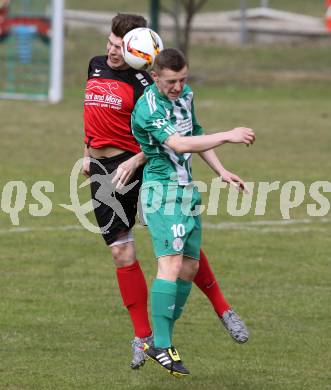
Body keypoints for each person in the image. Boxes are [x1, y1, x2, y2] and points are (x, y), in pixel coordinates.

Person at [82, 13, 249, 370]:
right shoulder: (95, 67)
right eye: (110, 43)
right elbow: (92, 116)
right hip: (102, 171)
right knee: (122, 253)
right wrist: (87, 153)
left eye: (120, 46)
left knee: (176, 243)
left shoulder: (147, 83)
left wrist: (138, 159)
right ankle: (143, 338)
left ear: (138, 50)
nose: (112, 52)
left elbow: (163, 134)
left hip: (136, 167)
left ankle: (220, 308)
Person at [131, 48, 255, 377]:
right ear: (155, 77)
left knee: (189, 266)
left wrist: (222, 170)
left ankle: (159, 341)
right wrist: (229, 135)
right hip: (162, 193)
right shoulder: (148, 108)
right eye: (171, 81)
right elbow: (179, 144)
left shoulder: (186, 96)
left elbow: (196, 136)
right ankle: (160, 342)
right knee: (169, 263)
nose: (178, 86)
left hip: (186, 191)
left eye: (183, 79)